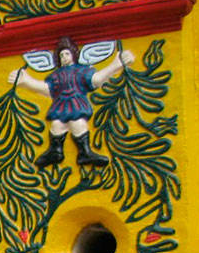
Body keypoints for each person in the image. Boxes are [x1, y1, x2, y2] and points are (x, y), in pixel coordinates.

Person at [10, 36, 135, 168]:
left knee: (78, 124)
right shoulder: (56, 75)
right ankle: (55, 151)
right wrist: (27, 82)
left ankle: (85, 153)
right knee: (57, 125)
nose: (64, 57)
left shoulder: (81, 71)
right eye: (61, 54)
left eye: (67, 53)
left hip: (76, 103)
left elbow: (96, 80)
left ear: (73, 55)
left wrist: (115, 66)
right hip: (61, 105)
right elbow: (48, 89)